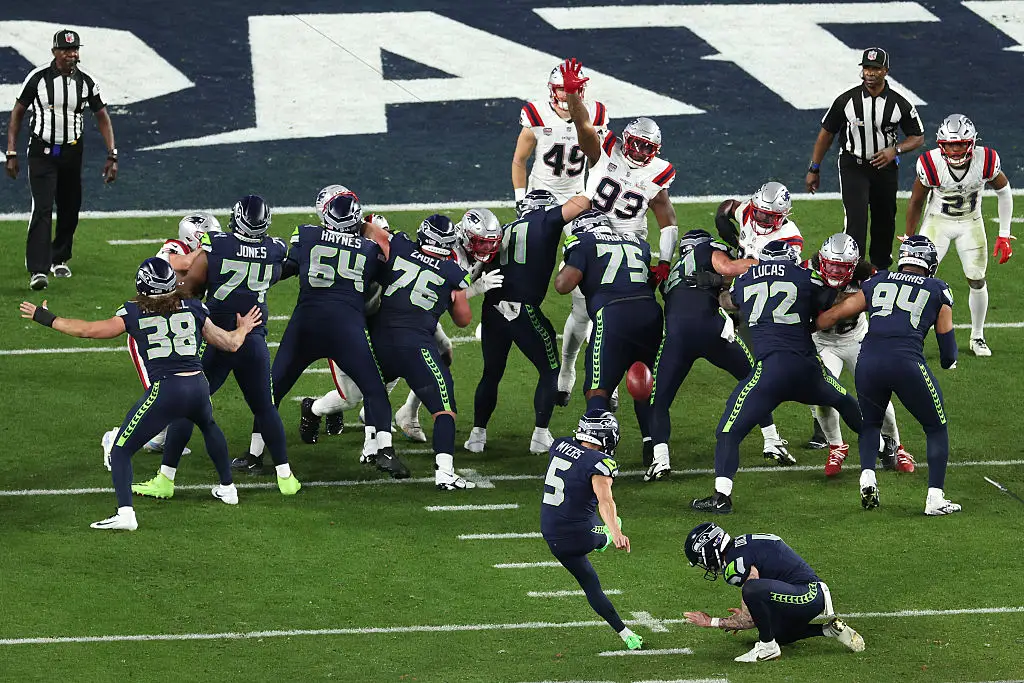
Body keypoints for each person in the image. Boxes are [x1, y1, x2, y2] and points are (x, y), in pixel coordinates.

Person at [19, 258, 261, 530]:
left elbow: (88, 331)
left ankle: (125, 514)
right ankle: (228, 489)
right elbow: (230, 343)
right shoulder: (194, 307)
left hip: (167, 390)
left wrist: (46, 318)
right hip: (198, 385)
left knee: (120, 450)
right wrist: (244, 328)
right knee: (208, 425)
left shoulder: (133, 312)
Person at [135, 195, 302, 498]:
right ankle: (286, 477)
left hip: (216, 337)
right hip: (252, 337)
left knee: (189, 407)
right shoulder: (275, 248)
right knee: (265, 407)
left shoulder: (217, 243)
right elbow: (281, 270)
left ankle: (165, 478)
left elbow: (191, 286)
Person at [243, 191, 406, 479]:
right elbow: (391, 273)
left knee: (273, 388)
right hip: (346, 328)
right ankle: (385, 451)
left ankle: (254, 455)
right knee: (374, 389)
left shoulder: (307, 235)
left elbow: (286, 268)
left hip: (306, 325)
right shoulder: (368, 250)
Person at [692, 241, 862, 514]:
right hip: (807, 369)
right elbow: (834, 304)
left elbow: (729, 302)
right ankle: (880, 446)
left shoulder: (745, 279)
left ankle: (722, 496)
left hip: (769, 373)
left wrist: (715, 285)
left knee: (728, 431)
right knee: (845, 400)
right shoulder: (805, 276)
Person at [558, 58, 678, 407]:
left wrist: (664, 261)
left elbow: (667, 219)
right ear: (625, 140)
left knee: (617, 316)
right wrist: (572, 95)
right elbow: (583, 125)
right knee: (583, 312)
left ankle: (607, 382)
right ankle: (567, 368)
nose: (639, 152)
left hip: (630, 246)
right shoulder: (606, 149)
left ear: (656, 150)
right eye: (635, 144)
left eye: (646, 147)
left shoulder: (658, 172)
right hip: (590, 237)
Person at [816, 235, 961, 515]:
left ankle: (867, 478)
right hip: (906, 363)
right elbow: (948, 354)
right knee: (935, 427)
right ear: (930, 264)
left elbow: (836, 314)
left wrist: (801, 330)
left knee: (870, 424)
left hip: (868, 361)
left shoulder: (878, 280)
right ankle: (935, 498)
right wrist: (947, 360)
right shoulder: (938, 289)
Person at [646, 230, 792, 483]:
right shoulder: (705, 250)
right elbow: (728, 268)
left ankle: (661, 459)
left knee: (659, 399)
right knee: (755, 379)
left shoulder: (672, 277)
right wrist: (768, 265)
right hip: (710, 329)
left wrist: (718, 283)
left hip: (677, 336)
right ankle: (771, 440)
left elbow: (703, 292)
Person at [465, 190, 590, 455]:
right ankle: (540, 436)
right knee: (550, 370)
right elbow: (580, 204)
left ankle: (477, 435)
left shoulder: (505, 227)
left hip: (492, 308)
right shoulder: (545, 220)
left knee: (491, 373)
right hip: (522, 309)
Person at [99, 212, 221, 460]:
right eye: (208, 237)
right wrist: (208, 249)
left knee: (182, 393)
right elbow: (182, 263)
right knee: (161, 394)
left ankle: (160, 440)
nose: (214, 241)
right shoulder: (174, 249)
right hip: (150, 334)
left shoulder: (205, 257)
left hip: (179, 332)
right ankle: (116, 439)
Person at [6, 29, 118, 291]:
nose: (72, 54)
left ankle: (60, 257)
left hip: (71, 152)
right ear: (54, 51)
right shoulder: (37, 78)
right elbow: (17, 113)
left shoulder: (86, 82)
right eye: (66, 50)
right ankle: (38, 269)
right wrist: (11, 151)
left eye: (75, 49)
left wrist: (112, 153)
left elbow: (102, 116)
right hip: (42, 152)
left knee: (70, 206)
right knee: (42, 207)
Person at [370, 215, 475, 490]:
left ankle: (373, 447)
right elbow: (463, 319)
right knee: (444, 407)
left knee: (374, 391)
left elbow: (374, 232)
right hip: (416, 345)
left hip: (380, 338)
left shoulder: (401, 245)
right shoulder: (453, 272)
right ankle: (445, 473)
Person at [554, 210, 662, 464]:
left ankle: (597, 453)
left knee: (596, 388)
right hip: (650, 314)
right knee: (644, 380)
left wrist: (570, 265)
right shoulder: (638, 242)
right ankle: (653, 446)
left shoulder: (582, 242)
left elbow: (563, 285)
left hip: (613, 316)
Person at [904, 114, 1015, 357]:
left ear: (972, 143)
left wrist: (1004, 234)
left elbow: (1004, 191)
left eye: (961, 144)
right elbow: (916, 201)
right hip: (937, 222)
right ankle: (911, 338)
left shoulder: (985, 160)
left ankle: (977, 336)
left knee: (977, 279)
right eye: (950, 145)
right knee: (917, 280)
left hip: (970, 223)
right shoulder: (931, 163)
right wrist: (910, 237)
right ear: (941, 145)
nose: (955, 150)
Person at [805, 47, 924, 269]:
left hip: (885, 167)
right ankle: (853, 271)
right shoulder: (846, 100)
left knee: (884, 220)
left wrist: (895, 150)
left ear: (885, 70)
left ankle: (880, 271)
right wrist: (814, 167)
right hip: (854, 165)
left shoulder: (899, 102)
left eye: (875, 68)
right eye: (867, 68)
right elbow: (826, 133)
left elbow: (917, 136)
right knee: (856, 220)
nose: (870, 73)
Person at [808, 233, 914, 476]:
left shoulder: (868, 275)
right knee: (821, 394)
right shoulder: (808, 272)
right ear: (822, 260)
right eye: (830, 265)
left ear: (853, 266)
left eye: (841, 266)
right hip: (823, 342)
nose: (835, 271)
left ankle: (896, 446)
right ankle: (836, 446)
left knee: (877, 394)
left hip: (857, 339)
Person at [683, 522, 865, 662]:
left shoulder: (735, 562)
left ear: (709, 551)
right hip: (807, 594)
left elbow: (749, 614)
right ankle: (831, 630)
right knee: (776, 633)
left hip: (808, 594)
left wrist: (711, 622)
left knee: (751, 591)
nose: (705, 565)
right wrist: (753, 611)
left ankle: (767, 649)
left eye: (702, 560)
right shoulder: (742, 544)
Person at [397, 208, 504, 443]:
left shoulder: (468, 251)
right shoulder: (449, 254)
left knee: (443, 353)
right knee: (398, 362)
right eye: (481, 242)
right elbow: (447, 297)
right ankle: (378, 411)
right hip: (408, 311)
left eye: (490, 243)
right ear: (465, 237)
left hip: (424, 311)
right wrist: (477, 288)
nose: (487, 248)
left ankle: (407, 412)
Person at [541, 409, 641, 651]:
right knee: (610, 526)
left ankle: (626, 633)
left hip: (551, 532)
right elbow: (606, 501)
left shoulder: (560, 444)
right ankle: (603, 539)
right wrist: (615, 532)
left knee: (590, 583)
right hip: (580, 534)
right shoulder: (599, 463)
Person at [511, 62, 610, 203]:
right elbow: (519, 160)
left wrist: (591, 193)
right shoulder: (538, 114)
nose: (567, 94)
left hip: (576, 195)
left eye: (573, 89)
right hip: (539, 193)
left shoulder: (595, 114)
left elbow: (601, 161)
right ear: (552, 89)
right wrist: (520, 199)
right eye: (562, 89)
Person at [715, 181, 804, 260]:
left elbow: (789, 270)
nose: (763, 219)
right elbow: (731, 204)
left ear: (782, 215)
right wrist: (721, 219)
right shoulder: (747, 213)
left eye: (770, 215)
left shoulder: (789, 237)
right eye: (760, 212)